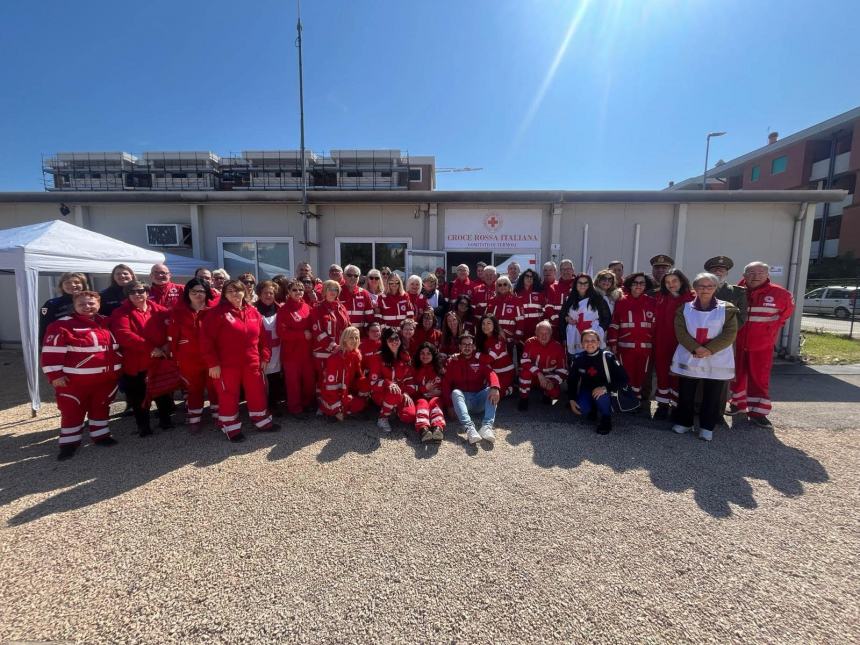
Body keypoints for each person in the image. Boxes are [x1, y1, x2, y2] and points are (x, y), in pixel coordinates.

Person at [41, 291, 122, 459]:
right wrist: (55, 375)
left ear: (99, 304)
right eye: (82, 304)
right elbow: (50, 353)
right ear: (75, 306)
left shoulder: (106, 322)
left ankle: (101, 436)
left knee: (101, 407)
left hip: (105, 380)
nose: (87, 307)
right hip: (75, 382)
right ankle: (69, 443)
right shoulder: (62, 325)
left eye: (91, 303)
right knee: (72, 411)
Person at [201, 279, 279, 441]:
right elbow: (206, 341)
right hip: (227, 365)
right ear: (224, 294)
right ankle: (231, 428)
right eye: (230, 291)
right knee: (229, 395)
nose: (235, 294)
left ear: (245, 292)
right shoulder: (216, 314)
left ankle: (261, 421)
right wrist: (213, 364)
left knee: (257, 392)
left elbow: (263, 338)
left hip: (252, 362)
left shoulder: (253, 312)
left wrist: (265, 356)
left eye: (238, 290)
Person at [671, 272, 739, 441]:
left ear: (716, 288)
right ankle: (685, 423)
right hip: (691, 356)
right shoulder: (684, 308)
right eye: (701, 286)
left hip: (716, 358)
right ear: (695, 288)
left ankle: (707, 427)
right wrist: (695, 348)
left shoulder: (727, 308)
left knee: (712, 395)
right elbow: (680, 331)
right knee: (686, 393)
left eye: (710, 286)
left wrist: (709, 349)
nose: (705, 289)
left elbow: (730, 333)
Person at [729, 262, 794, 427]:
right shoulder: (736, 292)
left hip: (761, 346)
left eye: (760, 272)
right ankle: (737, 404)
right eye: (751, 272)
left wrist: (768, 333)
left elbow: (784, 316)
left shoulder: (781, 294)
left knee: (759, 379)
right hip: (737, 343)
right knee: (735, 376)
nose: (756, 276)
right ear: (744, 275)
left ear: (767, 274)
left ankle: (758, 413)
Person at [110, 280, 174, 436]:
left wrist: (167, 345)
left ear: (147, 292)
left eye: (140, 291)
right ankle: (143, 425)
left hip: (159, 360)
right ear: (128, 295)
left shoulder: (159, 309)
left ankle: (165, 421)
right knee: (138, 396)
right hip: (136, 361)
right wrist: (152, 348)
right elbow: (124, 335)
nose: (137, 294)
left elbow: (172, 326)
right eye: (133, 292)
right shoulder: (121, 312)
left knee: (163, 391)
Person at [167, 278, 219, 430]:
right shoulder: (178, 312)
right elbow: (173, 337)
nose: (198, 294)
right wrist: (176, 358)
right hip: (189, 358)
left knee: (214, 388)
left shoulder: (214, 310)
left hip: (212, 358)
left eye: (201, 291)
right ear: (188, 293)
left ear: (207, 293)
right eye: (194, 291)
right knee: (194, 389)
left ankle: (218, 416)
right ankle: (194, 418)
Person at [442, 333, 500, 445]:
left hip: (477, 399)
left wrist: (495, 387)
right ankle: (469, 428)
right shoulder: (452, 361)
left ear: (474, 347)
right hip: (461, 401)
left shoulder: (480, 360)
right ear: (459, 346)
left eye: (470, 344)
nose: (467, 347)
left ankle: (486, 427)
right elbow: (446, 384)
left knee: (491, 389)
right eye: (464, 344)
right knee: (455, 392)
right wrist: (449, 406)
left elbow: (491, 373)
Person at [568, 329, 629, 435]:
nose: (590, 343)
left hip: (605, 391)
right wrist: (572, 399)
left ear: (599, 343)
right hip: (587, 390)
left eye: (593, 340)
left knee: (600, 396)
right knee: (581, 408)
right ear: (582, 344)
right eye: (586, 341)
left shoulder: (608, 357)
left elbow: (624, 379)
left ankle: (606, 418)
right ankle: (593, 409)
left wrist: (605, 388)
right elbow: (572, 380)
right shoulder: (578, 359)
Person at [607, 273, 657, 402]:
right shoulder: (622, 301)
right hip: (625, 347)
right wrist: (613, 343)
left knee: (641, 375)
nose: (639, 286)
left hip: (645, 348)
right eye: (635, 283)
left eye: (642, 283)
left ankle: (636, 400)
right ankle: (626, 400)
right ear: (630, 284)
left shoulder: (652, 302)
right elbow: (614, 324)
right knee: (626, 374)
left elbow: (656, 325)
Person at [652, 269, 695, 419]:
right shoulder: (660, 297)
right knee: (662, 374)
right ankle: (662, 405)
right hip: (661, 342)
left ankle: (676, 406)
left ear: (682, 281)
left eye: (674, 281)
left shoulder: (691, 298)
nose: (671, 284)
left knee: (678, 375)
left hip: (681, 343)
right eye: (667, 282)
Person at [276, 278, 315, 419]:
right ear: (288, 292)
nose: (298, 292)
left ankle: (307, 403)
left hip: (307, 351)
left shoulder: (307, 307)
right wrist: (301, 334)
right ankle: (295, 408)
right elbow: (282, 332)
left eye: (301, 290)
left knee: (308, 381)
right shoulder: (284, 309)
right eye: (294, 290)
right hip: (291, 353)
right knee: (293, 383)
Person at [368, 327, 416, 433]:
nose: (394, 342)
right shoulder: (378, 357)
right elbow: (372, 383)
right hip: (381, 393)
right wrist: (387, 383)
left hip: (400, 393)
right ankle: (383, 418)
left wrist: (407, 393)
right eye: (390, 340)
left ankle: (394, 409)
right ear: (385, 341)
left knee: (409, 416)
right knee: (393, 391)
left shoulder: (405, 355)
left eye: (396, 339)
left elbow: (409, 379)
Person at [319, 326, 368, 421]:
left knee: (365, 383)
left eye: (357, 337)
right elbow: (330, 386)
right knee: (345, 407)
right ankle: (335, 411)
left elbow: (358, 377)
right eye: (351, 337)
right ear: (344, 339)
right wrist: (337, 410)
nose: (354, 340)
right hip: (331, 395)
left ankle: (348, 409)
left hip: (345, 392)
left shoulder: (356, 355)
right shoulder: (335, 358)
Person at [517, 321, 567, 410]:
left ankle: (547, 395)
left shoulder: (558, 347)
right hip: (534, 376)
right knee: (525, 373)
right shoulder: (529, 342)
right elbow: (524, 361)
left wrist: (554, 382)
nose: (544, 336)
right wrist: (539, 374)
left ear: (551, 333)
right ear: (536, 333)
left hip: (548, 377)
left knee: (555, 395)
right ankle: (524, 398)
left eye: (547, 333)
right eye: (541, 333)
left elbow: (563, 370)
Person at [558, 274, 611, 356]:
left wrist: (599, 330)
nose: (582, 285)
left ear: (590, 284)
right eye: (580, 283)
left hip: (593, 336)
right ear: (575, 284)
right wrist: (567, 319)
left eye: (585, 283)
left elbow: (607, 317)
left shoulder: (597, 298)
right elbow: (562, 316)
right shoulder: (569, 298)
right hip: (574, 336)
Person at [255, 280, 285, 415]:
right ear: (259, 294)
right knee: (259, 379)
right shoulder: (252, 309)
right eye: (265, 293)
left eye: (271, 293)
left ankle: (273, 404)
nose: (268, 295)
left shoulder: (281, 309)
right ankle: (260, 405)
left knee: (274, 378)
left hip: (277, 348)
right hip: (259, 349)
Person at [311, 280, 352, 377]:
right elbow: (318, 332)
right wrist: (334, 347)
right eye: (330, 289)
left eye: (336, 289)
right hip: (323, 353)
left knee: (339, 380)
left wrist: (348, 344)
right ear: (324, 291)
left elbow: (348, 327)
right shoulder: (317, 308)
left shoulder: (341, 307)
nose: (333, 292)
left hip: (340, 351)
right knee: (324, 382)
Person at [411, 342, 447, 443]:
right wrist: (424, 388)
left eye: (428, 353)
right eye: (422, 353)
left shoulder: (440, 368)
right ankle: (423, 429)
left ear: (433, 355)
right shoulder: (414, 368)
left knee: (435, 402)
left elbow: (446, 384)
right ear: (419, 355)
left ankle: (438, 428)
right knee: (422, 403)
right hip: (420, 397)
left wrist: (440, 392)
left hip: (436, 397)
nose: (425, 356)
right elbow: (410, 387)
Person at [40, 271, 88, 343]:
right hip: (62, 343)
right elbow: (44, 327)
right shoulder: (50, 304)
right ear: (61, 286)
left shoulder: (92, 302)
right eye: (67, 282)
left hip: (87, 341)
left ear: (83, 285)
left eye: (77, 282)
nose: (73, 285)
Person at [476, 314, 515, 396]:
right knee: (480, 391)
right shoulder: (484, 338)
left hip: (506, 372)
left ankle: (511, 388)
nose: (485, 326)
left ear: (494, 324)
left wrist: (475, 353)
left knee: (494, 395)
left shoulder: (499, 339)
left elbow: (489, 359)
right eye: (483, 323)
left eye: (489, 323)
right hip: (493, 372)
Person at [339, 265, 375, 335]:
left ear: (359, 278)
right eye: (349, 275)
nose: (353, 278)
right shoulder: (337, 291)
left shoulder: (364, 293)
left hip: (359, 335)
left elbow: (370, 318)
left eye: (356, 276)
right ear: (343, 276)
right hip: (341, 335)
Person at [486, 275, 522, 343]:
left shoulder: (516, 300)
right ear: (497, 287)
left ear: (509, 286)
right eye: (500, 285)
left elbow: (520, 321)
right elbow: (488, 319)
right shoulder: (491, 300)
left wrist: (516, 337)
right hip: (494, 336)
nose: (502, 287)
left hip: (510, 338)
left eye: (505, 284)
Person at [514, 268, 545, 342]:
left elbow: (544, 310)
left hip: (536, 329)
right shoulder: (516, 293)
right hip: (521, 329)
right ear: (522, 278)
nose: (529, 278)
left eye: (532, 277)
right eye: (527, 276)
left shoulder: (540, 293)